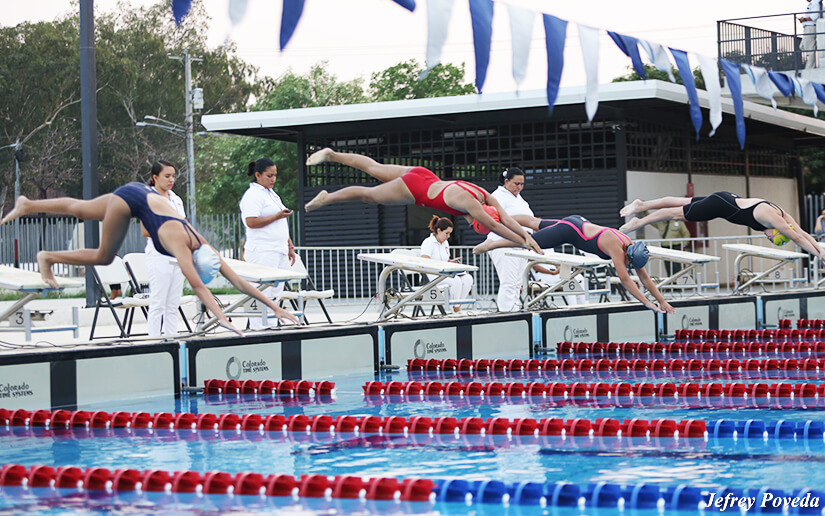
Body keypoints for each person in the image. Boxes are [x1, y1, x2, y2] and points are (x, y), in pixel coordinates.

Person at [0, 180, 300, 336]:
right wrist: (222, 318)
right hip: (129, 202)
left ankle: (29, 204)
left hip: (140, 192)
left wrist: (276, 308)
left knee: (81, 208)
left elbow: (238, 281)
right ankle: (49, 257)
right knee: (104, 256)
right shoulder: (182, 246)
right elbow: (199, 287)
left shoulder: (203, 245)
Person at [303, 148, 542, 253]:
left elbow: (506, 219)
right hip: (415, 189)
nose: (470, 224)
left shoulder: (485, 194)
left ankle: (332, 154)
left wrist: (526, 237)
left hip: (424, 175)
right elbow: (496, 226)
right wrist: (523, 241)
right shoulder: (471, 204)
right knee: (370, 195)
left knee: (374, 167)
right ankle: (329, 197)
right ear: (478, 217)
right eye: (474, 224)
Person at [474, 214, 676, 314]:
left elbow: (643, 276)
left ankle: (501, 217)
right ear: (629, 257)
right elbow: (625, 279)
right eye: (629, 264)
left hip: (576, 222)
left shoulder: (632, 247)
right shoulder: (617, 247)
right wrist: (647, 302)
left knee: (535, 222)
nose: (628, 266)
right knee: (531, 242)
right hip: (570, 231)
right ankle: (493, 242)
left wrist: (662, 300)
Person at [619, 192, 825, 260]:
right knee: (676, 213)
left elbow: (803, 233)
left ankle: (642, 205)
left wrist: (821, 253)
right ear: (777, 231)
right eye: (772, 238)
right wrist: (819, 255)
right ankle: (640, 220)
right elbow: (797, 238)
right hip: (719, 206)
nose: (768, 238)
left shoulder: (782, 215)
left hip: (725, 198)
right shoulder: (771, 218)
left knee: (681, 201)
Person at [485, 168, 557, 311]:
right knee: (509, 282)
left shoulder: (519, 198)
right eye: (516, 184)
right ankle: (507, 311)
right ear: (506, 181)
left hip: (521, 245)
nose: (519, 187)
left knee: (518, 283)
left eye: (522, 184)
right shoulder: (498, 196)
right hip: (502, 244)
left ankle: (514, 309)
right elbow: (494, 221)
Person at [239, 158, 296, 329]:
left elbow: (281, 222)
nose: (273, 179)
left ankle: (272, 325)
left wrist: (289, 245)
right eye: (269, 176)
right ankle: (259, 327)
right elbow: (251, 222)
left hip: (278, 249)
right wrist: (276, 216)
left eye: (275, 175)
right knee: (263, 291)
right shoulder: (253, 195)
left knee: (276, 293)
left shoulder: (271, 194)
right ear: (258, 175)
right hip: (262, 250)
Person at [143, 160, 187, 337]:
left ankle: (172, 339)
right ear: (155, 177)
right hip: (159, 255)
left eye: (173, 176)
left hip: (177, 254)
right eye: (167, 176)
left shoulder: (176, 199)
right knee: (158, 302)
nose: (171, 180)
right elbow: (145, 231)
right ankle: (154, 341)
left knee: (173, 304)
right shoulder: (149, 198)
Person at [420, 216, 474, 312]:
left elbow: (446, 260)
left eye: (450, 233)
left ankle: (457, 306)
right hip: (432, 276)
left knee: (468, 278)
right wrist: (441, 265)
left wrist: (451, 262)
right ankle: (456, 308)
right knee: (456, 280)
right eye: (447, 233)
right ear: (439, 231)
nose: (448, 236)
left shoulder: (445, 243)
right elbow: (424, 261)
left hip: (444, 274)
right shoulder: (428, 242)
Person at [645, 211, 692, 275]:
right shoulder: (660, 223)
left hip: (676, 247)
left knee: (676, 266)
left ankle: (677, 279)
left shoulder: (678, 222)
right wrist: (645, 211)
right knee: (668, 266)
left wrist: (683, 245)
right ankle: (671, 279)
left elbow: (686, 233)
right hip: (665, 247)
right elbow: (650, 220)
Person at [799, 0, 823, 70]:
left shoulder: (816, 3)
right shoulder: (813, 3)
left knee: (810, 50)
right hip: (808, 28)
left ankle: (810, 68)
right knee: (803, 46)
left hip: (811, 27)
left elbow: (814, 16)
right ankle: (811, 66)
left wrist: (804, 19)